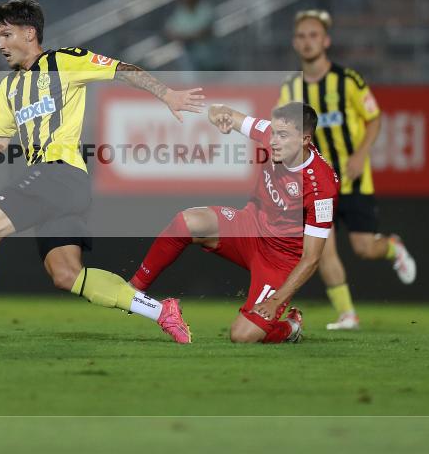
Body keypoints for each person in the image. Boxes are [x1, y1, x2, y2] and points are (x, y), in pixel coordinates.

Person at [0, 0, 203, 343]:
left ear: (29, 33)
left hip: (60, 174)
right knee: (66, 274)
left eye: (6, 34)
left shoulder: (63, 62)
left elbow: (122, 68)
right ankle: (162, 311)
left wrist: (167, 94)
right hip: (62, 187)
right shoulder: (10, 87)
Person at [130, 102, 335, 344]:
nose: (273, 141)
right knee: (187, 221)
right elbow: (221, 110)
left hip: (279, 259)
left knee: (242, 335)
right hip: (249, 226)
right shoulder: (270, 134)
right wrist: (218, 116)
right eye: (273, 133)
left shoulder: (322, 187)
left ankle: (290, 328)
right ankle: (133, 289)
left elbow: (311, 258)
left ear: (305, 139)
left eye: (282, 135)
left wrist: (275, 301)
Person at [277, 10, 416, 331]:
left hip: (354, 179)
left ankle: (392, 247)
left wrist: (360, 154)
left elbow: (374, 118)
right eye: (302, 36)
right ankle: (347, 314)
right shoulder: (290, 89)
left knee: (364, 248)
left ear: (326, 41)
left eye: (313, 35)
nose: (307, 42)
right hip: (318, 185)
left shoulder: (348, 80)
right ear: (295, 43)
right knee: (323, 249)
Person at [164, 0, 219, 71]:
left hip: (212, 57)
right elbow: (170, 32)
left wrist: (187, 37)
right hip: (192, 61)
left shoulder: (204, 7)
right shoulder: (180, 13)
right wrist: (189, 36)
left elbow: (205, 30)